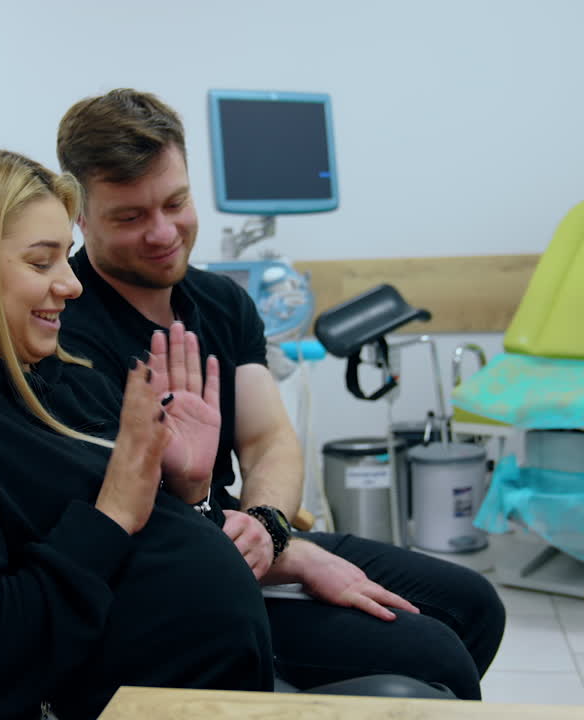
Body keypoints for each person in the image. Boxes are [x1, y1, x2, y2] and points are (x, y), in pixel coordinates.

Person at [55, 89, 506, 698]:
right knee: (435, 656)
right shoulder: (66, 327)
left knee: (474, 604)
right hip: (164, 582)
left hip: (241, 542)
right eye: (130, 217)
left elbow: (269, 439)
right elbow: (121, 521)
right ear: (80, 216)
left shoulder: (219, 302)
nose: (162, 233)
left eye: (176, 203)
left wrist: (269, 525)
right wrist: (289, 556)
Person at [0, 142, 274, 720]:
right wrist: (111, 512)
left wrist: (190, 490)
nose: (71, 285)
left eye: (66, 258)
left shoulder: (59, 380)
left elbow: (143, 548)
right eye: (41, 262)